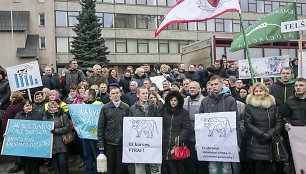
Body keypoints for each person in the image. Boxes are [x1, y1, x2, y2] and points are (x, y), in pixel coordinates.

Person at [199, 75, 239, 174]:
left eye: (216, 84)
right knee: (212, 167)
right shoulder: (205, 101)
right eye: (212, 84)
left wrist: (237, 142)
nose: (214, 86)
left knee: (226, 167)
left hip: (227, 139)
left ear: (222, 84)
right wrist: (199, 141)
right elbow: (201, 123)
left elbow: (235, 121)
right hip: (211, 140)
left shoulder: (230, 100)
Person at [245, 82, 282, 174]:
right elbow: (248, 123)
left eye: (260, 91)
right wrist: (261, 134)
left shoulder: (273, 106)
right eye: (256, 91)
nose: (258, 93)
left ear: (266, 92)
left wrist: (269, 134)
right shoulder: (249, 107)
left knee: (269, 167)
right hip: (255, 141)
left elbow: (279, 122)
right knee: (258, 167)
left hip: (270, 141)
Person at [129, 86, 162, 174]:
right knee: (139, 168)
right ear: (138, 95)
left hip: (153, 142)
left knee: (155, 168)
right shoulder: (132, 108)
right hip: (139, 143)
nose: (145, 95)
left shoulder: (154, 107)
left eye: (146, 93)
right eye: (143, 93)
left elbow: (158, 123)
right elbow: (131, 126)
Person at [97, 86, 130, 174]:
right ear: (110, 96)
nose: (115, 95)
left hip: (122, 143)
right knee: (110, 168)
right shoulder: (105, 108)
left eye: (117, 93)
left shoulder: (126, 107)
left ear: (120, 94)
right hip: (109, 143)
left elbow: (130, 127)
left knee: (121, 168)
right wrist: (101, 144)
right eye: (113, 94)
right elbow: (100, 127)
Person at [162, 90, 191, 174]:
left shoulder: (184, 112)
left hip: (178, 145)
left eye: (175, 100)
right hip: (166, 143)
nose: (173, 102)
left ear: (179, 101)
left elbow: (187, 128)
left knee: (179, 168)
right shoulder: (164, 111)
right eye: (171, 100)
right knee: (170, 168)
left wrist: (179, 139)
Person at [13, 100, 43, 174]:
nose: (29, 107)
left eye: (30, 105)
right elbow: (13, 128)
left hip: (34, 145)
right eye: (26, 105)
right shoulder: (18, 116)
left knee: (34, 165)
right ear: (22, 107)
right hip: (23, 145)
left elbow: (43, 128)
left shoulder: (37, 115)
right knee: (25, 164)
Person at [283, 78, 306, 174]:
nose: (298, 87)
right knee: (295, 163)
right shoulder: (289, 101)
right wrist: (287, 124)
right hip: (296, 138)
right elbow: (285, 116)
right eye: (296, 85)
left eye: (301, 85)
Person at [183, 81, 205, 174]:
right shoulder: (184, 100)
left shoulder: (204, 100)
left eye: (194, 88)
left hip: (199, 136)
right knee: (189, 161)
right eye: (190, 87)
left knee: (200, 161)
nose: (191, 89)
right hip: (186, 135)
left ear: (199, 89)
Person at [44, 101, 70, 174]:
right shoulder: (45, 117)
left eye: (55, 107)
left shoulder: (63, 116)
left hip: (61, 142)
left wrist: (56, 131)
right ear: (49, 108)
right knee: (55, 164)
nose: (53, 109)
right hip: (51, 143)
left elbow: (67, 127)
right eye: (52, 107)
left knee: (63, 162)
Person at [82, 89, 103, 174]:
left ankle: (99, 171)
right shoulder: (82, 105)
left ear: (90, 96)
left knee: (96, 154)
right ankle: (89, 171)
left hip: (95, 135)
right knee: (87, 154)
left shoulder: (99, 104)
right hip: (85, 134)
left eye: (85, 94)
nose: (83, 95)